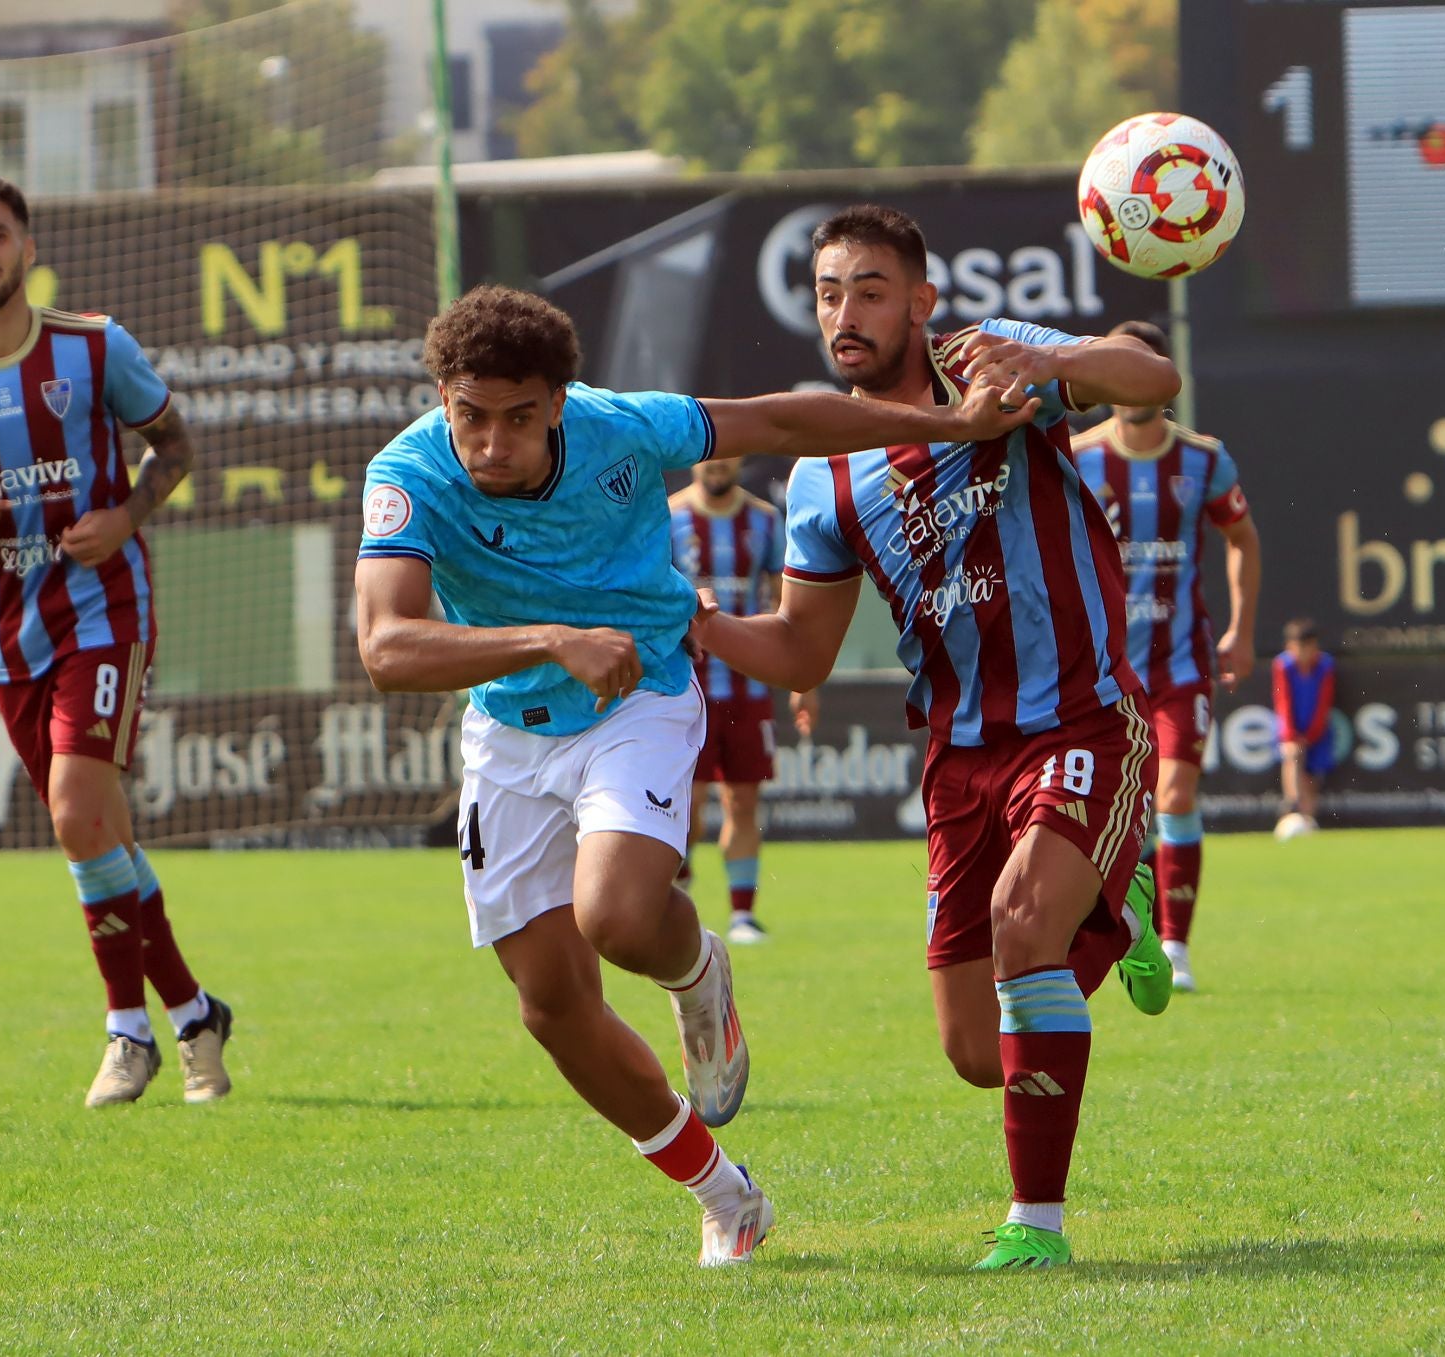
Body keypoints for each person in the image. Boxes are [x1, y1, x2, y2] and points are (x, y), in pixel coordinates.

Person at [354, 284, 1035, 1267]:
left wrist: (943, 422)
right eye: (470, 415)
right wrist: (552, 639)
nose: (489, 442)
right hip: (508, 735)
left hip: (642, 695)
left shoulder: (622, 429)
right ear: (443, 399)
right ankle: (727, 1195)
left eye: (516, 417)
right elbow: (385, 647)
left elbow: (787, 417)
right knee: (551, 1008)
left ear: (558, 402)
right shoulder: (409, 473)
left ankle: (694, 969)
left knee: (620, 917)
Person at [691, 205, 1179, 1271]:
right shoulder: (821, 469)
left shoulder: (988, 360)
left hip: (1081, 716)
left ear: (921, 300)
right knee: (973, 1049)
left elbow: (1155, 384)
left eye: (870, 289)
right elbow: (799, 651)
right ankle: (1114, 896)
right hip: (962, 757)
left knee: (1019, 928)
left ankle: (1035, 1227)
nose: (845, 312)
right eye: (828, 292)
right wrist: (692, 621)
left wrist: (1046, 354)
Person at [0, 176, 232, 1108]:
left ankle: (129, 1033)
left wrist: (125, 515)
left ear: (28, 248)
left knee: (78, 809)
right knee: (101, 833)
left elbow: (176, 445)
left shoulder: (93, 346)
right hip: (11, 629)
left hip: (105, 607)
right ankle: (196, 1013)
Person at [1071, 320, 1261, 994]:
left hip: (1181, 665)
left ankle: (1176, 945)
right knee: (1113, 807)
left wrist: (1241, 628)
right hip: (1102, 669)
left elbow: (1242, 538)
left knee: (1176, 791)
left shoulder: (1205, 460)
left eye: (1140, 365)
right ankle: (1127, 912)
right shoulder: (1078, 454)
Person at [667, 459, 813, 944]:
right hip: (685, 685)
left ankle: (743, 916)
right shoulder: (667, 518)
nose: (718, 465)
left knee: (743, 799)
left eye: (729, 456)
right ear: (696, 460)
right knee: (686, 803)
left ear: (742, 460)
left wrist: (802, 679)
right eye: (711, 456)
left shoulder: (766, 521)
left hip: (749, 687)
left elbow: (785, 603)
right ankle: (675, 897)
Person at [1273, 617, 1337, 833]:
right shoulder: (1283, 665)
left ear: (1314, 646)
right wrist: (1291, 734)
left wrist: (1310, 735)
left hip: (1317, 732)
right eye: (1296, 647)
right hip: (1291, 730)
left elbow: (1323, 703)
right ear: (1288, 646)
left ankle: (1308, 822)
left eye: (1306, 647)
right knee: (1291, 756)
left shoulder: (1325, 666)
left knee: (1311, 778)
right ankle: (1292, 808)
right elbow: (1283, 702)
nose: (1301, 652)